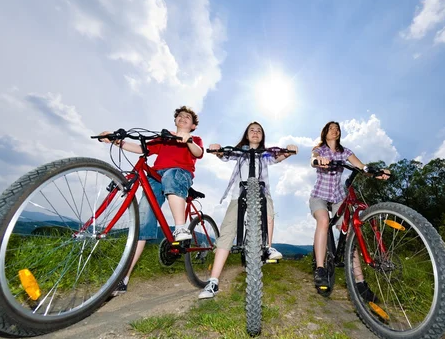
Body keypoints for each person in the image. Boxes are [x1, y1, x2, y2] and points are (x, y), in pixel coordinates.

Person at [98, 106, 203, 295]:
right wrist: (116, 141)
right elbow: (141, 148)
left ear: (193, 125)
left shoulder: (194, 139)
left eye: (188, 117)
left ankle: (180, 227)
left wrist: (187, 141)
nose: (183, 118)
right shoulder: (164, 137)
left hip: (180, 174)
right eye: (180, 116)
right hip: (156, 176)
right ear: (175, 120)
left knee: (171, 175)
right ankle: (124, 278)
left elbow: (198, 152)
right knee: (144, 220)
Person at [198, 121, 298, 299]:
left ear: (262, 136)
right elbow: (225, 154)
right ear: (246, 135)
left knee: (268, 206)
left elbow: (278, 157)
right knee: (227, 232)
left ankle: (267, 247)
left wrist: (289, 151)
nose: (255, 132)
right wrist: (217, 149)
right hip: (238, 195)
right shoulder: (240, 152)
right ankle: (213, 281)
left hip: (261, 193)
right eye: (252, 130)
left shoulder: (265, 154)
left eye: (259, 130)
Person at [309, 121, 390, 301]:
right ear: (324, 133)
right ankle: (320, 269)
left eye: (337, 129)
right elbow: (313, 159)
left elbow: (362, 167)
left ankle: (361, 284)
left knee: (351, 233)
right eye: (331, 128)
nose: (335, 131)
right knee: (323, 221)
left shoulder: (345, 152)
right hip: (319, 196)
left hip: (338, 197)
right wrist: (318, 160)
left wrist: (377, 172)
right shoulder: (320, 149)